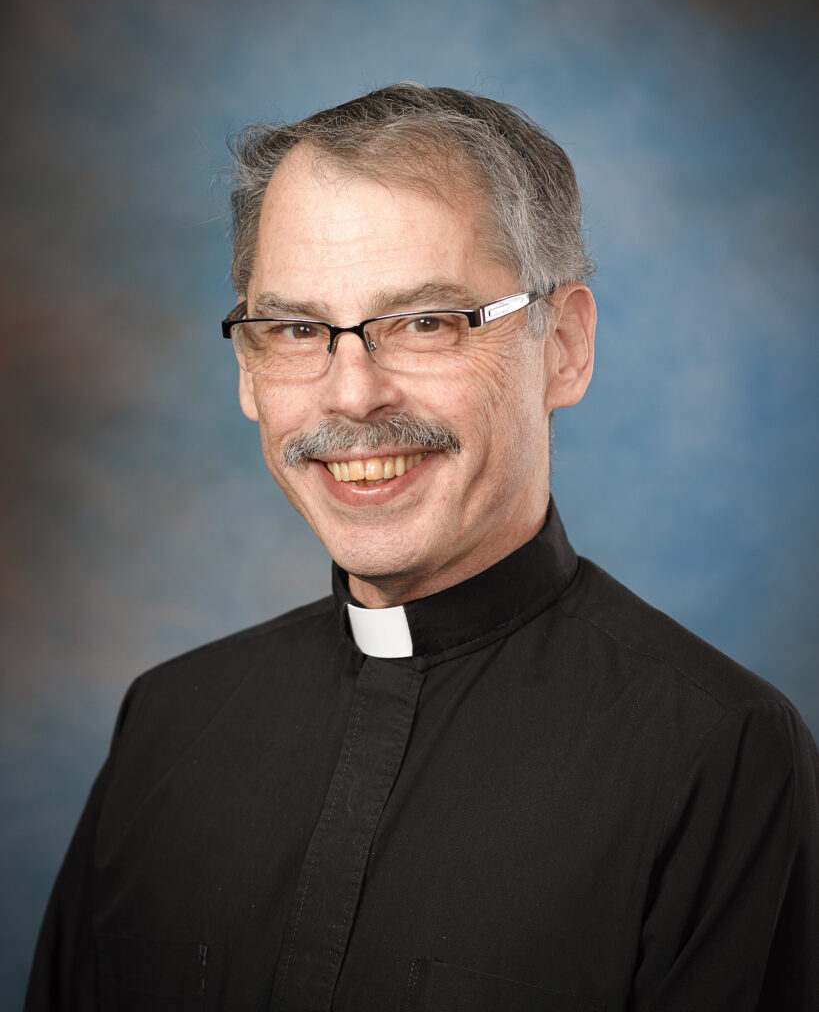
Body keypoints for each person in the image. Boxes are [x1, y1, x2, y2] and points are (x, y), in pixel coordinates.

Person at [26, 83, 818, 1011]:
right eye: (293, 330)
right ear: (248, 371)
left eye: (425, 323)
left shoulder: (716, 754)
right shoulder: (167, 721)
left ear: (561, 347)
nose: (352, 395)